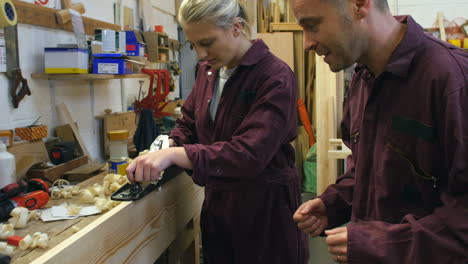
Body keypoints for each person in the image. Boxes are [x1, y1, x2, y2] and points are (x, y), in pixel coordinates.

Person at [126, 0, 308, 263]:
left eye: (207, 42)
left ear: (236, 27)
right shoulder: (209, 71)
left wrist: (178, 154)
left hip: (264, 213)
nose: (200, 54)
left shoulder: (274, 76)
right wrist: (169, 143)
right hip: (220, 206)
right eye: (193, 45)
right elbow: (188, 122)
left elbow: (249, 154)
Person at [291, 0, 468, 263]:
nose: (306, 43)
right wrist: (336, 202)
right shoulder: (364, 78)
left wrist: (384, 244)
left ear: (359, 5)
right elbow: (368, 169)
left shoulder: (452, 80)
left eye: (312, 25)